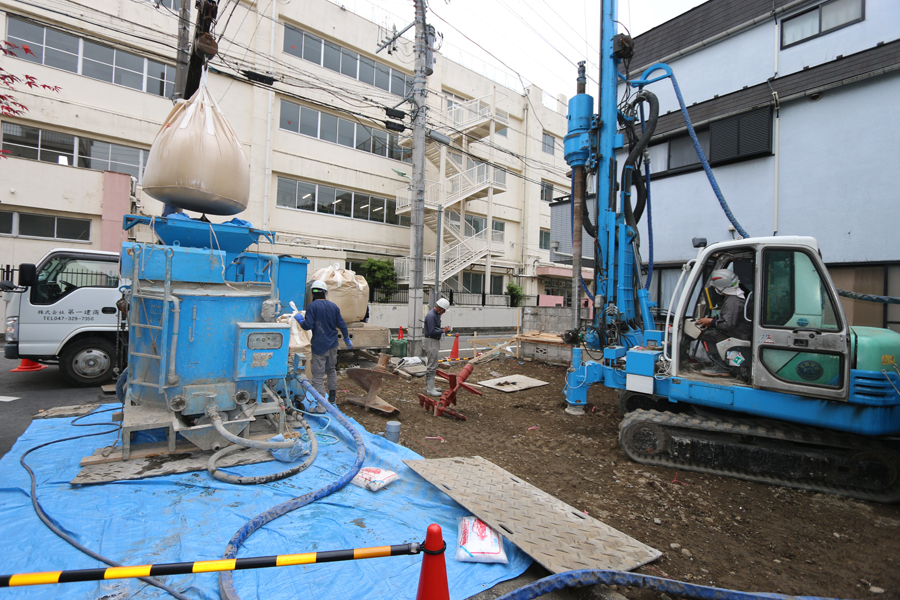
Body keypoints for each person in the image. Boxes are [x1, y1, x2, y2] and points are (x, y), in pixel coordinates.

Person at [294, 279, 351, 411]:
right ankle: (332, 399)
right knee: (331, 370)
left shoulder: (312, 307)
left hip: (319, 346)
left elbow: (307, 326)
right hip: (333, 344)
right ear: (325, 292)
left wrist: (300, 320)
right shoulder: (333, 306)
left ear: (313, 293)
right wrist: (346, 338)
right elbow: (341, 324)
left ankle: (321, 405)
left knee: (318, 376)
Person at [695, 269, 752, 376]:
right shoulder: (738, 297)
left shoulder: (733, 301)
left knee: (706, 336)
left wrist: (711, 322)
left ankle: (722, 366)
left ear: (721, 287)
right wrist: (712, 320)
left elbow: (727, 325)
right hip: (742, 331)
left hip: (738, 334)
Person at [423, 298, 451, 397]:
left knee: (433, 364)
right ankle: (430, 389)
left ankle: (431, 387)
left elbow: (434, 329)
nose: (443, 312)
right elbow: (431, 331)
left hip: (433, 341)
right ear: (439, 308)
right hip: (431, 341)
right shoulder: (431, 316)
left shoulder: (435, 315)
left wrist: (442, 331)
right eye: (443, 310)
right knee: (431, 365)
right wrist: (443, 331)